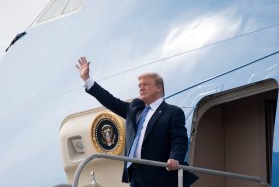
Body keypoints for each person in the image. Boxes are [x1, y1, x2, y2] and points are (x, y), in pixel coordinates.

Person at [76, 56, 198, 187]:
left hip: (160, 177)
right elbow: (110, 100)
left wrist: (175, 158)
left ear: (158, 88)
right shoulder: (134, 110)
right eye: (139, 85)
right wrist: (87, 79)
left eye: (145, 84)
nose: (141, 87)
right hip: (136, 176)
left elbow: (179, 140)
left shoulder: (173, 112)